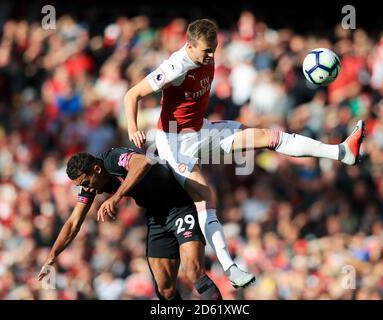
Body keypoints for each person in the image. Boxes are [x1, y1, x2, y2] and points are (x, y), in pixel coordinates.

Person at [123, 18, 365, 288]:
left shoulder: (206, 56)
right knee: (205, 194)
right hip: (173, 142)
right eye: (206, 51)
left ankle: (341, 151)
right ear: (189, 46)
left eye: (214, 49)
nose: (211, 55)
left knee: (266, 136)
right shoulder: (176, 66)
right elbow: (132, 95)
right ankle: (229, 268)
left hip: (201, 131)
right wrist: (134, 129)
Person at [37, 147, 222, 300]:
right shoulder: (90, 183)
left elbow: (143, 161)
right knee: (165, 289)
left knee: (193, 271)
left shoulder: (112, 159)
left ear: (96, 169)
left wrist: (115, 198)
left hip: (180, 205)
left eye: (86, 182)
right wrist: (52, 255)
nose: (86, 188)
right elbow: (73, 222)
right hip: (157, 218)